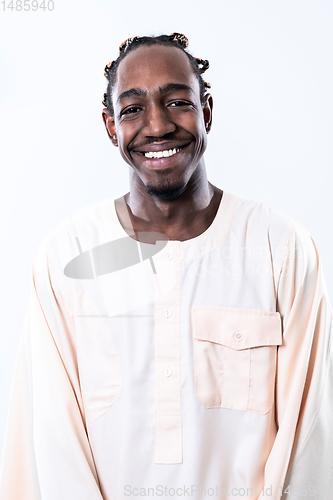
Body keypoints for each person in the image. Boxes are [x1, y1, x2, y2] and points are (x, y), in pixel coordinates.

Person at [0, 33, 332, 500]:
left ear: (207, 112)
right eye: (133, 108)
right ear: (111, 126)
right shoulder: (67, 256)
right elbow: (51, 440)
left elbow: (308, 433)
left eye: (177, 102)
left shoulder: (282, 249)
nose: (157, 126)